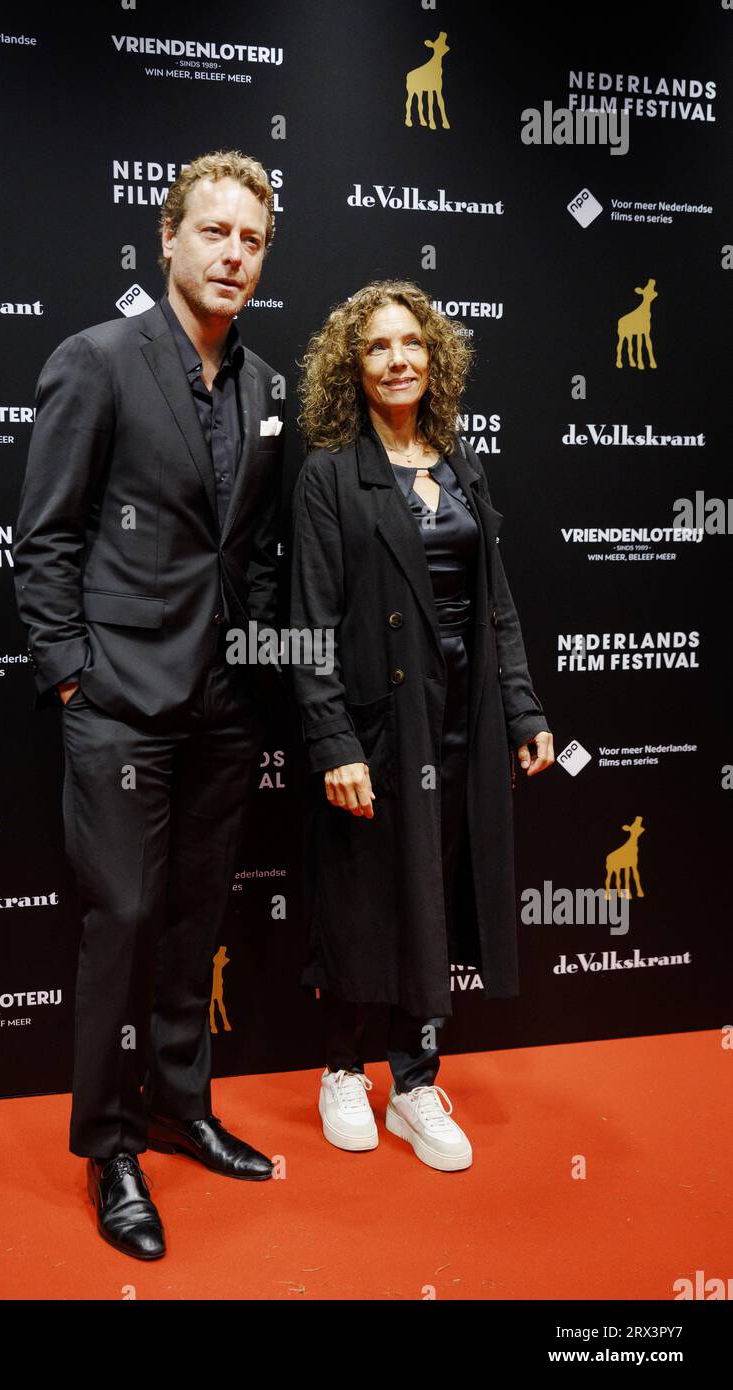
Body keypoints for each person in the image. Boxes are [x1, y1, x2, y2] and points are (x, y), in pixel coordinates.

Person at [12, 150, 286, 1259]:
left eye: (251, 240)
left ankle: (180, 1102)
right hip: (119, 702)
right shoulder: (95, 361)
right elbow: (46, 540)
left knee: (195, 918)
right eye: (213, 232)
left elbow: (250, 550)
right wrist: (75, 675)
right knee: (121, 921)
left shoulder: (264, 386)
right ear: (166, 240)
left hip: (225, 704)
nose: (232, 254)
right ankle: (109, 1144)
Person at [289, 280, 554, 1172]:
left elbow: (498, 602)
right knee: (366, 895)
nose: (397, 359)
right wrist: (331, 740)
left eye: (412, 344)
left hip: (462, 718)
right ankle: (339, 1069)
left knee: (434, 893)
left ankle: (413, 1082)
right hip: (376, 721)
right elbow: (307, 618)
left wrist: (521, 705)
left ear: (433, 356)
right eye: (376, 347)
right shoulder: (329, 473)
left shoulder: (461, 461)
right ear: (350, 367)